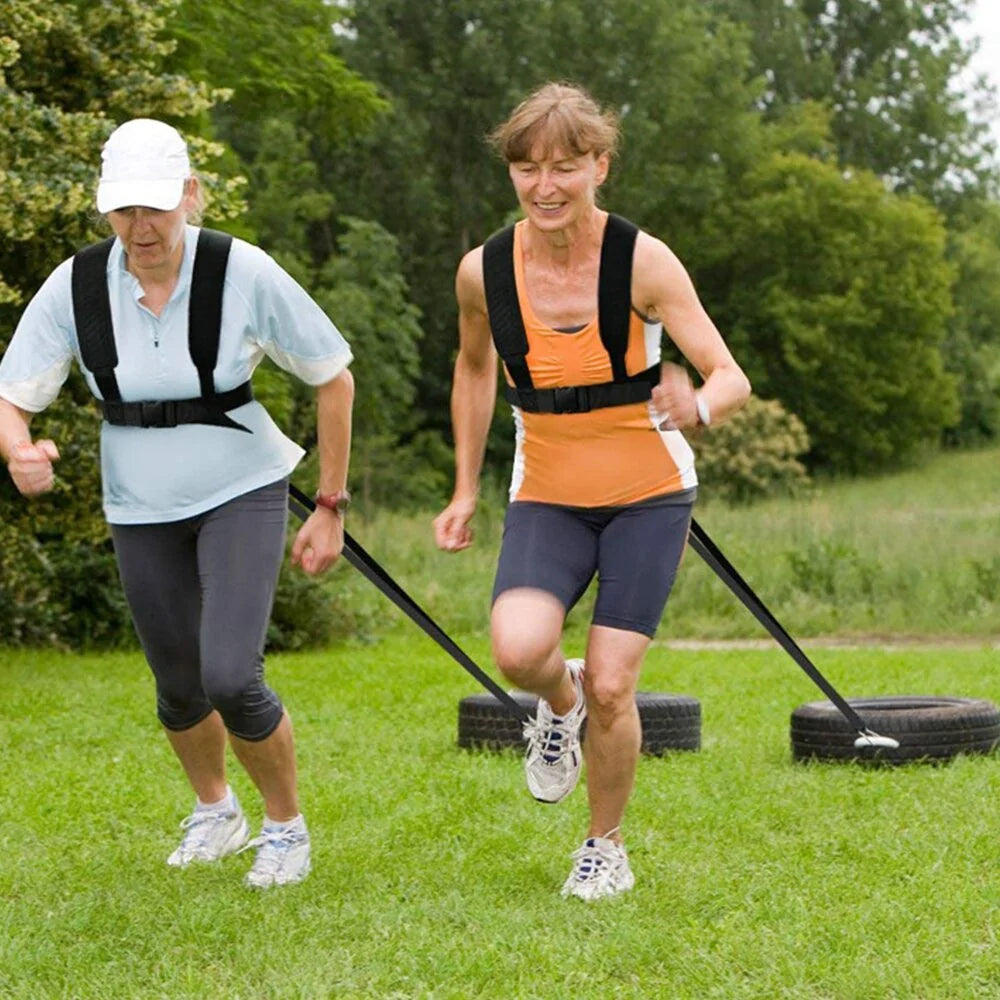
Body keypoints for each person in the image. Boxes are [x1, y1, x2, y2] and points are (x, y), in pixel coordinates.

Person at [0, 118, 355, 889]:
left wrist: (330, 502)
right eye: (124, 209)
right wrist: (16, 448)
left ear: (190, 196)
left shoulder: (242, 270)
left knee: (230, 673)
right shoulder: (77, 284)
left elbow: (333, 376)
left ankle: (285, 827)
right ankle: (215, 811)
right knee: (176, 682)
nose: (141, 226)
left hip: (241, 486)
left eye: (156, 207)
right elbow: (11, 395)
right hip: (137, 500)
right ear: (105, 210)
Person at [433, 83, 751, 901]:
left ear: (599, 167)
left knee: (617, 681)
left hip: (649, 491)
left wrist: (699, 406)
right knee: (519, 650)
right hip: (547, 489)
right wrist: (465, 488)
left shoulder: (643, 260)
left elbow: (728, 375)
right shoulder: (483, 272)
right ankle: (558, 706)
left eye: (566, 167)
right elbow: (472, 371)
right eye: (528, 168)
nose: (546, 186)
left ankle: (604, 847)